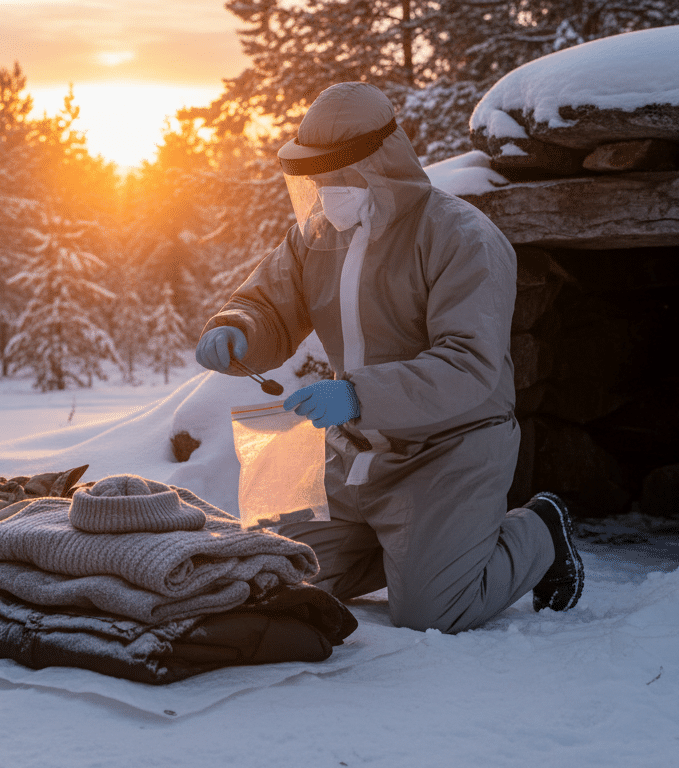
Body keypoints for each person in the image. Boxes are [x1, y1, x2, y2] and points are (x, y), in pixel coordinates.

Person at [195, 82, 583, 633]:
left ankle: (539, 531)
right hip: (354, 459)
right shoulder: (316, 236)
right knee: (277, 576)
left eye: (338, 175)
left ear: (380, 161)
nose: (327, 191)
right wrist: (237, 327)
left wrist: (357, 394)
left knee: (435, 611)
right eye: (317, 178)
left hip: (448, 450)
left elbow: (468, 365)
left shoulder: (461, 236)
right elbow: (268, 305)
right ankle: (418, 552)